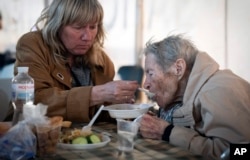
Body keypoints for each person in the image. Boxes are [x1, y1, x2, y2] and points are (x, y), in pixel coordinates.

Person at [4, 0, 139, 122]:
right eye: (78, 27)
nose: (87, 37)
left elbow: (100, 115)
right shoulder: (33, 45)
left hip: (85, 142)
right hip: (31, 138)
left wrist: (123, 108)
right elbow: (33, 102)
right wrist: (96, 94)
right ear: (57, 25)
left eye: (93, 27)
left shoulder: (102, 61)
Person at [139, 34, 250, 159]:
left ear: (178, 69)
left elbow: (234, 153)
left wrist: (167, 132)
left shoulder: (219, 91)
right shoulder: (186, 92)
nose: (145, 84)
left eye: (151, 73)